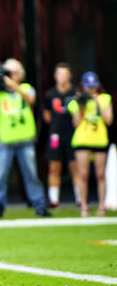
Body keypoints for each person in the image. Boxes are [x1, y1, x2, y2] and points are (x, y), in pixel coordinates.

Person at [0, 58, 49, 218]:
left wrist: (13, 85)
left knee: (31, 175)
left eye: (14, 73)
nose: (11, 76)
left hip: (25, 139)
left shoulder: (27, 88)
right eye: (8, 73)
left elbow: (30, 100)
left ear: (21, 75)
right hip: (4, 139)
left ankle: (40, 205)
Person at [68, 72, 113, 216]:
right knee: (83, 174)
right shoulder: (76, 100)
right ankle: (84, 206)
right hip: (82, 139)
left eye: (93, 87)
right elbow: (76, 123)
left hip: (99, 139)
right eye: (88, 87)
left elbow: (108, 120)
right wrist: (81, 105)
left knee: (100, 174)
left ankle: (101, 206)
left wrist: (97, 102)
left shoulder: (105, 98)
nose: (91, 90)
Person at [43, 62, 79, 208]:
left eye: (65, 74)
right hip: (55, 135)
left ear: (70, 75)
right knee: (54, 167)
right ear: (55, 76)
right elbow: (47, 116)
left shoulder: (76, 93)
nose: (62, 77)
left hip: (73, 134)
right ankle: (53, 199)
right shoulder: (50, 94)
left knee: (74, 166)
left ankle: (79, 198)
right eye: (59, 74)